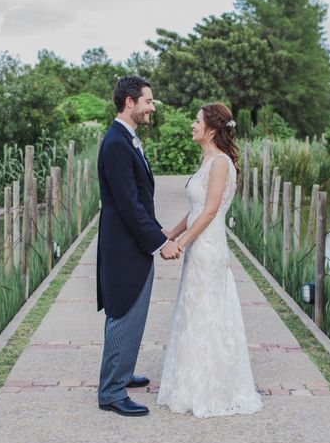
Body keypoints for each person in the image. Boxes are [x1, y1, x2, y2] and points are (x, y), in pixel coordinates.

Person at [157, 103, 263, 418]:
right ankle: (191, 384)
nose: (192, 124)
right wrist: (169, 233)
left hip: (208, 249)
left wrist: (180, 243)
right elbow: (195, 210)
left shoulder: (219, 163)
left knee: (208, 312)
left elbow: (210, 211)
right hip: (197, 247)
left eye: (197, 120)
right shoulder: (207, 161)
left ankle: (214, 388)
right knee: (195, 312)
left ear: (211, 129)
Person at [96, 76, 182, 417]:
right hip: (122, 246)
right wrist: (160, 242)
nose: (152, 107)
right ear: (130, 102)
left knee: (136, 311)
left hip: (133, 242)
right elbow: (128, 205)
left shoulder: (126, 138)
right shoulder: (116, 142)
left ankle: (125, 372)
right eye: (148, 101)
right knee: (123, 311)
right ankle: (111, 391)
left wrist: (157, 229)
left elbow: (138, 199)